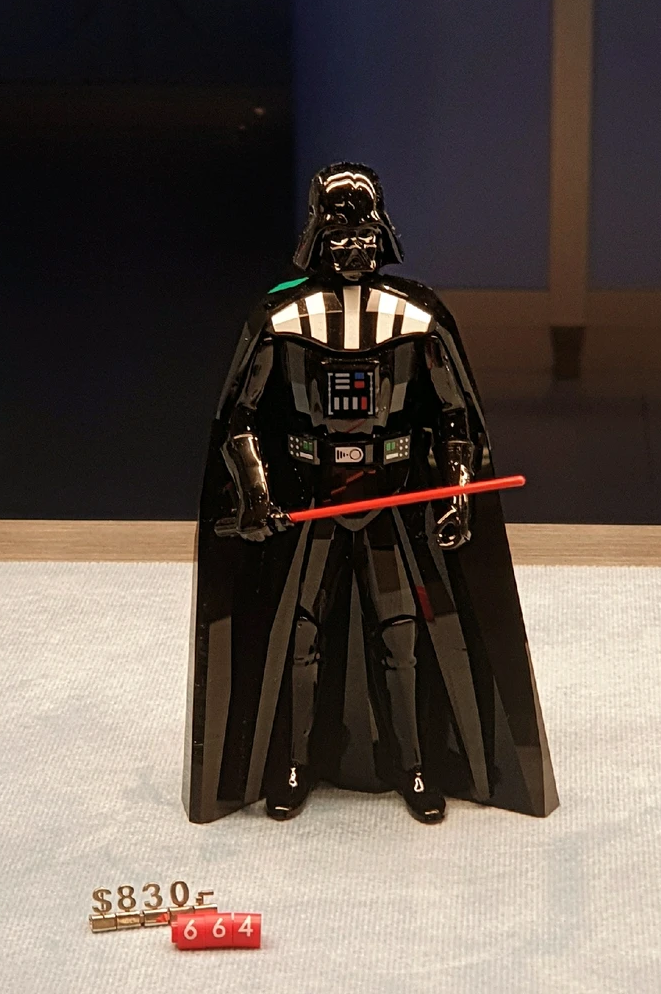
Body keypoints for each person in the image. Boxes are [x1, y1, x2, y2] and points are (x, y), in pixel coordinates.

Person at [184, 163, 558, 825]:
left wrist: (458, 494)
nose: (352, 247)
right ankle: (294, 761)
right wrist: (258, 495)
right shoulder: (282, 318)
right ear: (317, 238)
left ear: (382, 234)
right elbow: (240, 420)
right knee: (301, 635)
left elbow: (455, 419)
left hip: (389, 501)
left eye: (362, 235)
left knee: (402, 636)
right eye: (339, 236)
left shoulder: (416, 317)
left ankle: (414, 765)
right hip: (314, 504)